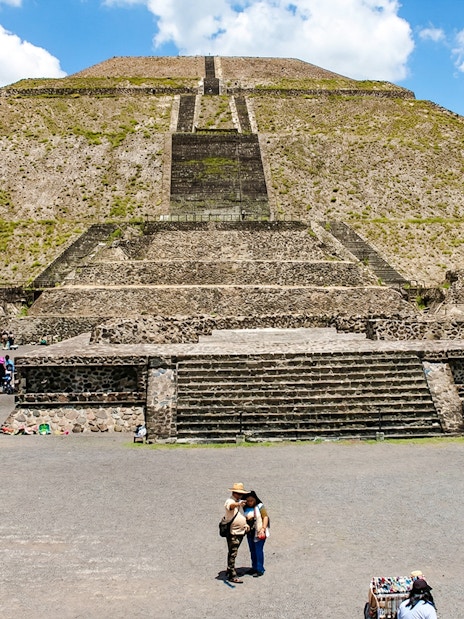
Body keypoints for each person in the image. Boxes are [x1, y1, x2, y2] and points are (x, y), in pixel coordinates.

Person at [223, 482, 249, 583]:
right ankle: (232, 575)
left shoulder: (239, 502)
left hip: (240, 531)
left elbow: (241, 515)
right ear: (235, 493)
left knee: (233, 551)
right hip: (233, 532)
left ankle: (230, 568)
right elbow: (231, 506)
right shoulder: (230, 501)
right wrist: (238, 504)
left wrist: (245, 524)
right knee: (233, 553)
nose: (241, 495)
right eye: (239, 493)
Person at [243, 490, 269, 577]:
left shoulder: (260, 506)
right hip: (250, 532)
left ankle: (260, 568)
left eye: (252, 500)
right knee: (252, 550)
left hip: (259, 531)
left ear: (255, 499)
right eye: (248, 501)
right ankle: (254, 567)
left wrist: (263, 528)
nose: (250, 502)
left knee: (258, 550)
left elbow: (265, 516)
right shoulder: (244, 507)